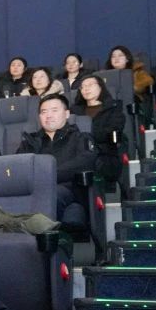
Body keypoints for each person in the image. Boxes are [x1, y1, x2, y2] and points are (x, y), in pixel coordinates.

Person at [17, 94, 97, 227]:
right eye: (44, 112)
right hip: (32, 189)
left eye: (54, 110)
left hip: (68, 190)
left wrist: (49, 175)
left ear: (67, 114)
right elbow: (18, 168)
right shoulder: (29, 142)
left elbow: (86, 162)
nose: (48, 115)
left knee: (50, 195)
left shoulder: (80, 138)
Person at [72, 74, 128, 185]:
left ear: (101, 87)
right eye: (82, 87)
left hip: (104, 154)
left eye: (90, 85)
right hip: (78, 154)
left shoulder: (113, 108)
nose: (86, 89)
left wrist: (86, 136)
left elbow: (111, 132)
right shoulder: (74, 111)